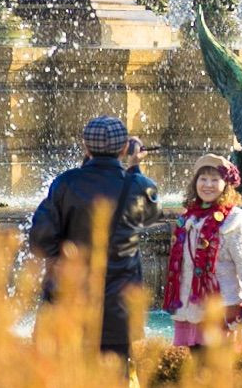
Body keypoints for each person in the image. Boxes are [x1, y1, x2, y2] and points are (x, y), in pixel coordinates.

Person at [28, 116, 162, 360]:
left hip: (69, 299)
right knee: (113, 376)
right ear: (124, 148)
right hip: (118, 308)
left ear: (85, 146)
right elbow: (152, 216)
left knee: (65, 375)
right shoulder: (138, 185)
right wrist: (134, 166)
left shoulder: (65, 183)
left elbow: (40, 240)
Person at [162, 153, 242, 349]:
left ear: (226, 185)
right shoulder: (188, 219)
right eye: (203, 179)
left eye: (214, 180)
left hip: (223, 312)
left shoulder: (234, 222)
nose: (208, 185)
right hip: (194, 312)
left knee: (220, 367)